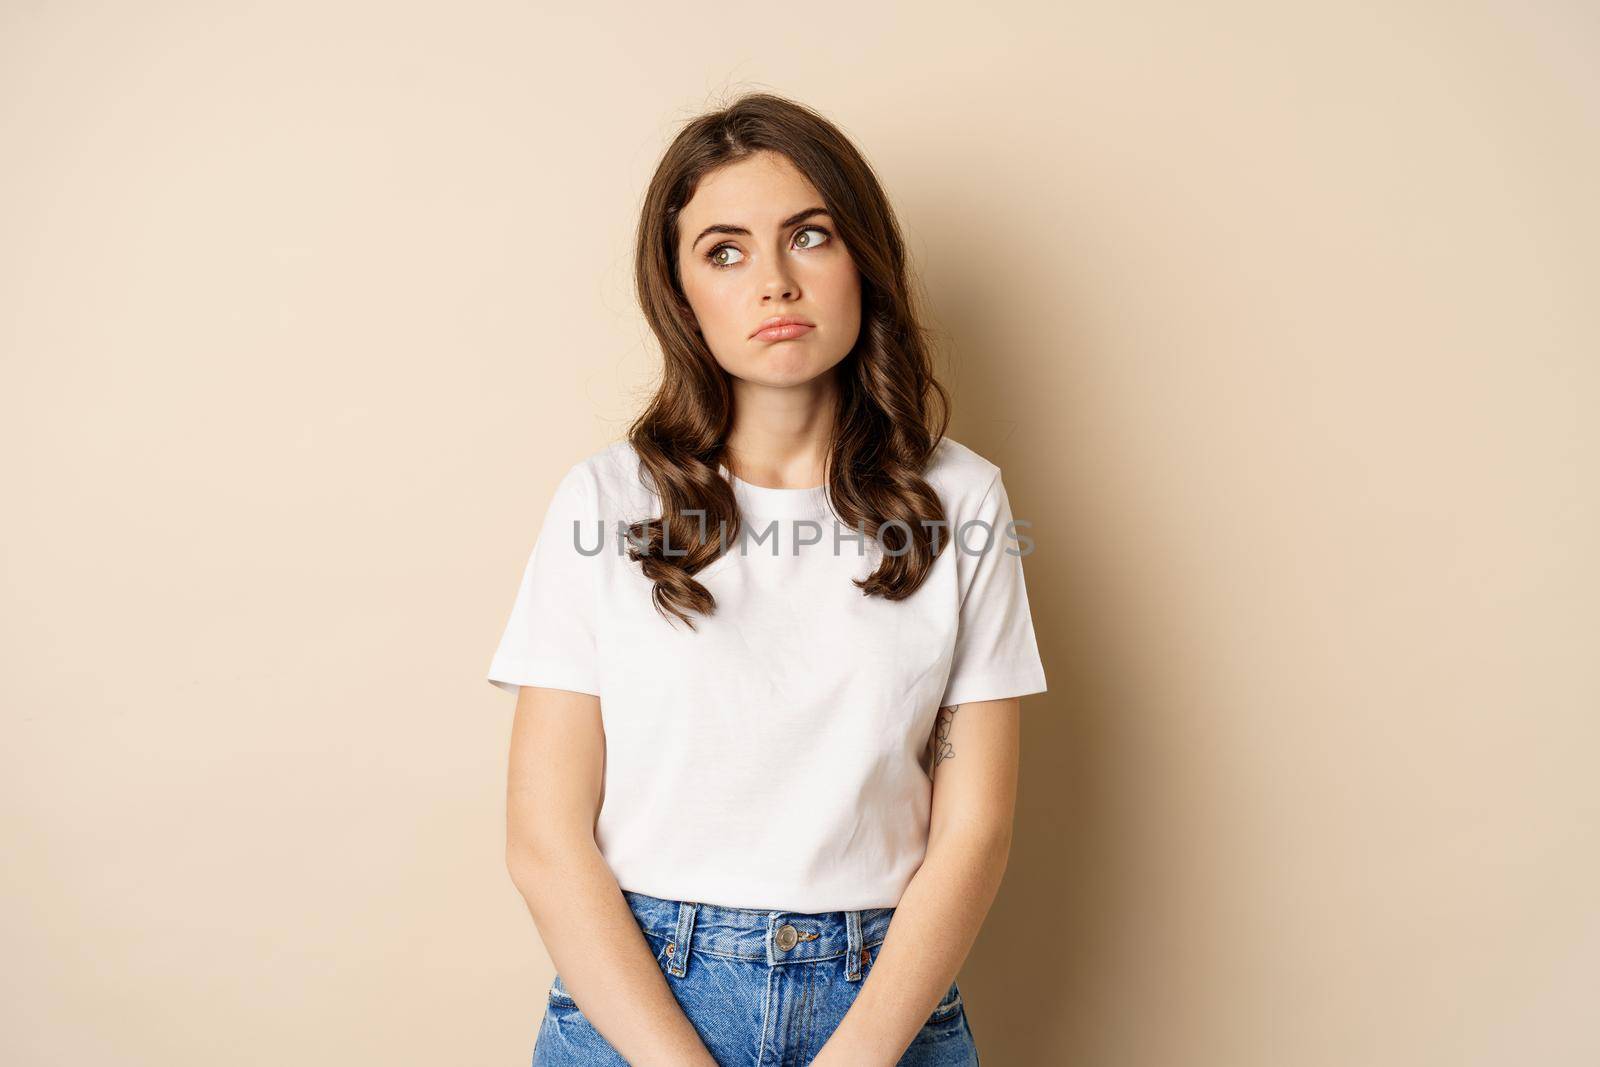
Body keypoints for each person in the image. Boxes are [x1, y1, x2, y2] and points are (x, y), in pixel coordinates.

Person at [488, 92, 1047, 1066]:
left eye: (810, 236)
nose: (775, 283)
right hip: (640, 1004)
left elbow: (975, 828)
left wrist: (860, 1053)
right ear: (680, 288)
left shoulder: (963, 499)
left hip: (884, 1000)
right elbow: (545, 836)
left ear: (861, 260)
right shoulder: (604, 500)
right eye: (725, 249)